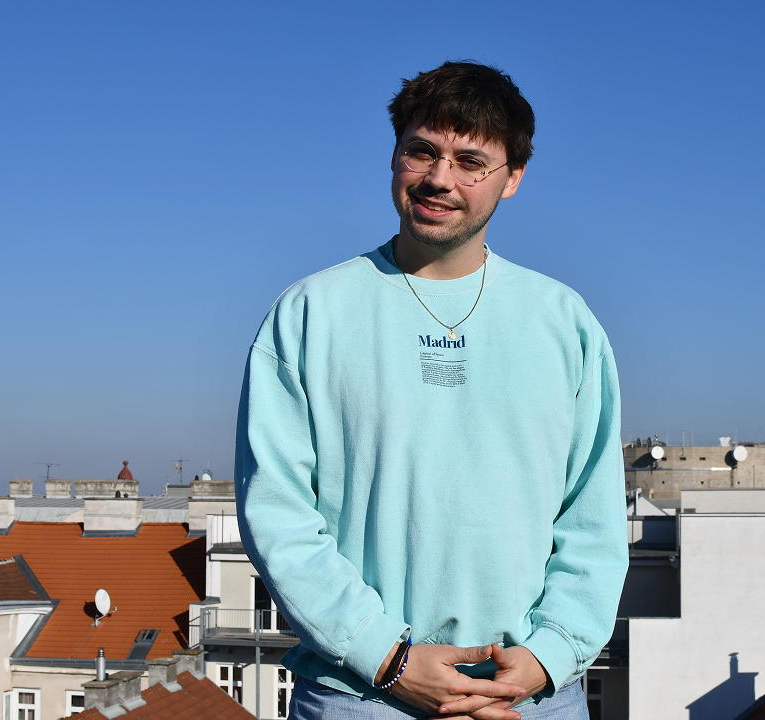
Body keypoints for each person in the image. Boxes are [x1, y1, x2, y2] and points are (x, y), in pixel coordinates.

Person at [235, 61, 628, 720]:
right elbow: (277, 513)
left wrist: (547, 656)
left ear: (513, 178)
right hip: (360, 695)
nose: (440, 179)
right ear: (394, 156)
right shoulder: (309, 314)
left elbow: (594, 519)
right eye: (422, 151)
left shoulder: (565, 323)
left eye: (471, 162)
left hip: (528, 699)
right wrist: (386, 657)